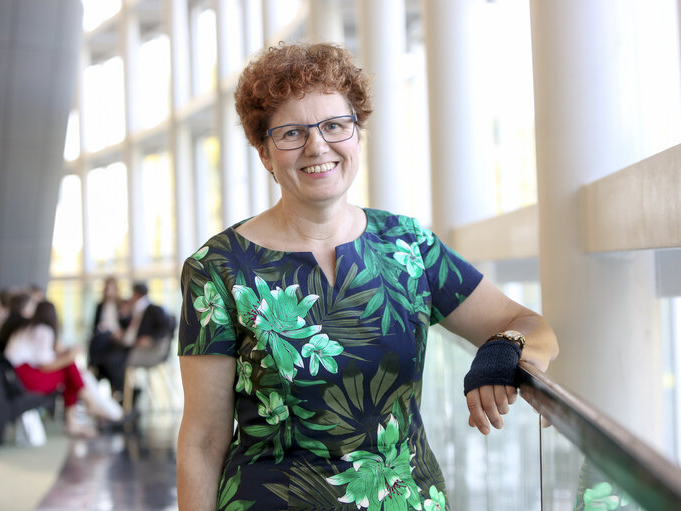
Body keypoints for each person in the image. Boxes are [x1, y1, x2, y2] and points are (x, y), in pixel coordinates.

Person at [176, 42, 559, 510]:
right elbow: (202, 439)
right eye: (293, 133)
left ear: (357, 135)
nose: (318, 146)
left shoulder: (407, 246)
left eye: (335, 126)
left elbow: (532, 326)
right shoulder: (217, 267)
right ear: (264, 153)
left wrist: (502, 349)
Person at [4, 300, 123, 437]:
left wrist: (66, 355)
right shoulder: (43, 330)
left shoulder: (28, 328)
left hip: (17, 375)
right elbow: (45, 365)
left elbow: (44, 360)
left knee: (69, 368)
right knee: (69, 369)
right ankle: (86, 407)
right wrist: (70, 356)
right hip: (23, 377)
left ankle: (85, 407)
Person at [94, 282, 175, 399]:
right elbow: (129, 329)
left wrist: (151, 339)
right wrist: (124, 315)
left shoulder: (153, 309)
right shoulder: (134, 309)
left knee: (111, 361)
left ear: (136, 294)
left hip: (142, 351)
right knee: (101, 354)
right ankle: (121, 391)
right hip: (128, 345)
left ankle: (128, 393)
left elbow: (169, 324)